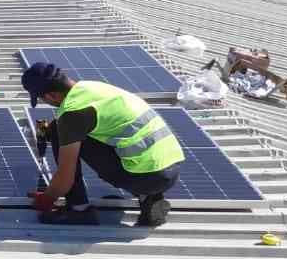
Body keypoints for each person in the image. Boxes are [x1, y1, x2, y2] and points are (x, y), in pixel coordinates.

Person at [20, 62, 183, 228]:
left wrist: (46, 199)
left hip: (147, 177)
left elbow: (65, 177)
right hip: (172, 168)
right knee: (62, 129)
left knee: (57, 130)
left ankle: (78, 209)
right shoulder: (92, 87)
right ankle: (150, 198)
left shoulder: (73, 112)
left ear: (52, 96)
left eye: (41, 99)